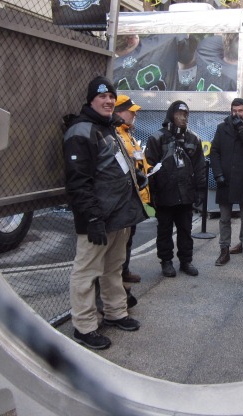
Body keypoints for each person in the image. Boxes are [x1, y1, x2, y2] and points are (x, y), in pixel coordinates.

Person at [63, 76, 147, 350]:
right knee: (86, 272)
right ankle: (84, 327)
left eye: (111, 96)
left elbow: (115, 166)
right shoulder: (82, 131)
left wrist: (137, 177)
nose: (109, 101)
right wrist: (92, 218)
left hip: (120, 216)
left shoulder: (108, 128)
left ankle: (115, 312)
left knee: (113, 268)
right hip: (98, 218)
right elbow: (78, 182)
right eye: (103, 97)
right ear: (91, 100)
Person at [144, 100, 206, 278]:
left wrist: (200, 190)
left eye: (186, 114)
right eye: (179, 114)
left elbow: (200, 166)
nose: (183, 117)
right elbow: (149, 166)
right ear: (171, 115)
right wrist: (152, 194)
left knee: (186, 230)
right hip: (165, 194)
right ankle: (166, 261)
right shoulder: (157, 138)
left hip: (185, 194)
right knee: (164, 229)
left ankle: (186, 261)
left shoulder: (194, 138)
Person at [210, 98, 243, 268]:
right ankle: (224, 251)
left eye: (240, 111)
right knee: (224, 219)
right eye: (234, 111)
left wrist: (241, 130)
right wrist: (217, 173)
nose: (237, 114)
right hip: (225, 179)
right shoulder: (222, 127)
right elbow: (215, 152)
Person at [113, 95, 151, 284]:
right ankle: (118, 274)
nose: (134, 115)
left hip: (135, 195)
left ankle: (124, 270)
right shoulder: (115, 134)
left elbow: (139, 161)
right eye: (131, 112)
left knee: (129, 237)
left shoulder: (128, 133)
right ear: (119, 112)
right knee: (121, 240)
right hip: (124, 197)